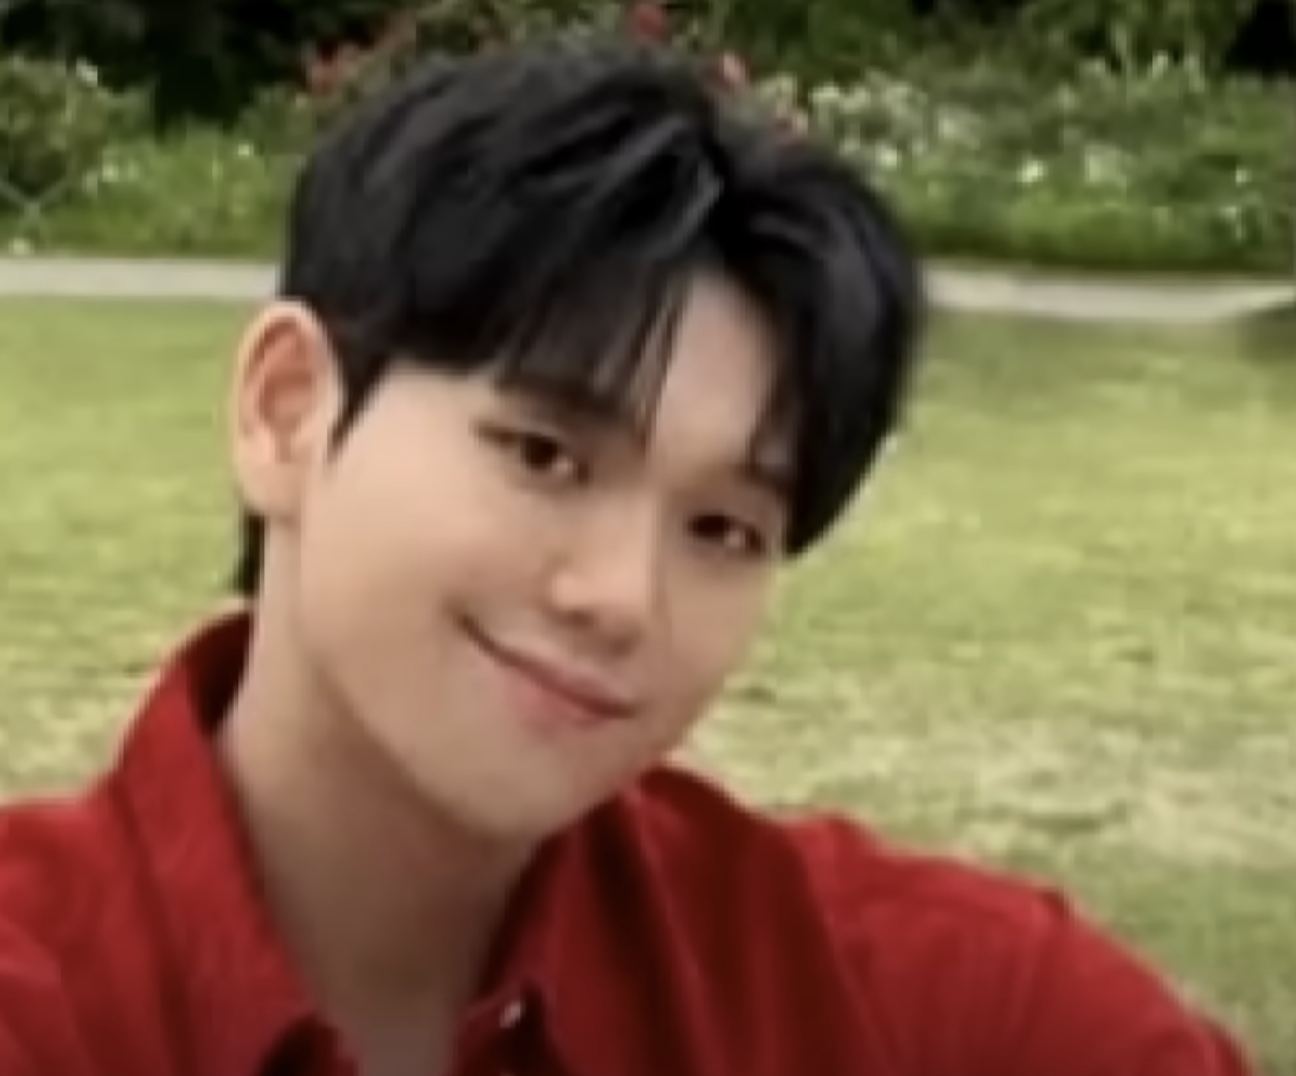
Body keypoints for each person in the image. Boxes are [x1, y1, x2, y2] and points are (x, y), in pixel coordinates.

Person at [0, 38, 1255, 1076]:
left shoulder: (918, 1004)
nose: (622, 597)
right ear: (286, 412)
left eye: (723, 528)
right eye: (546, 454)